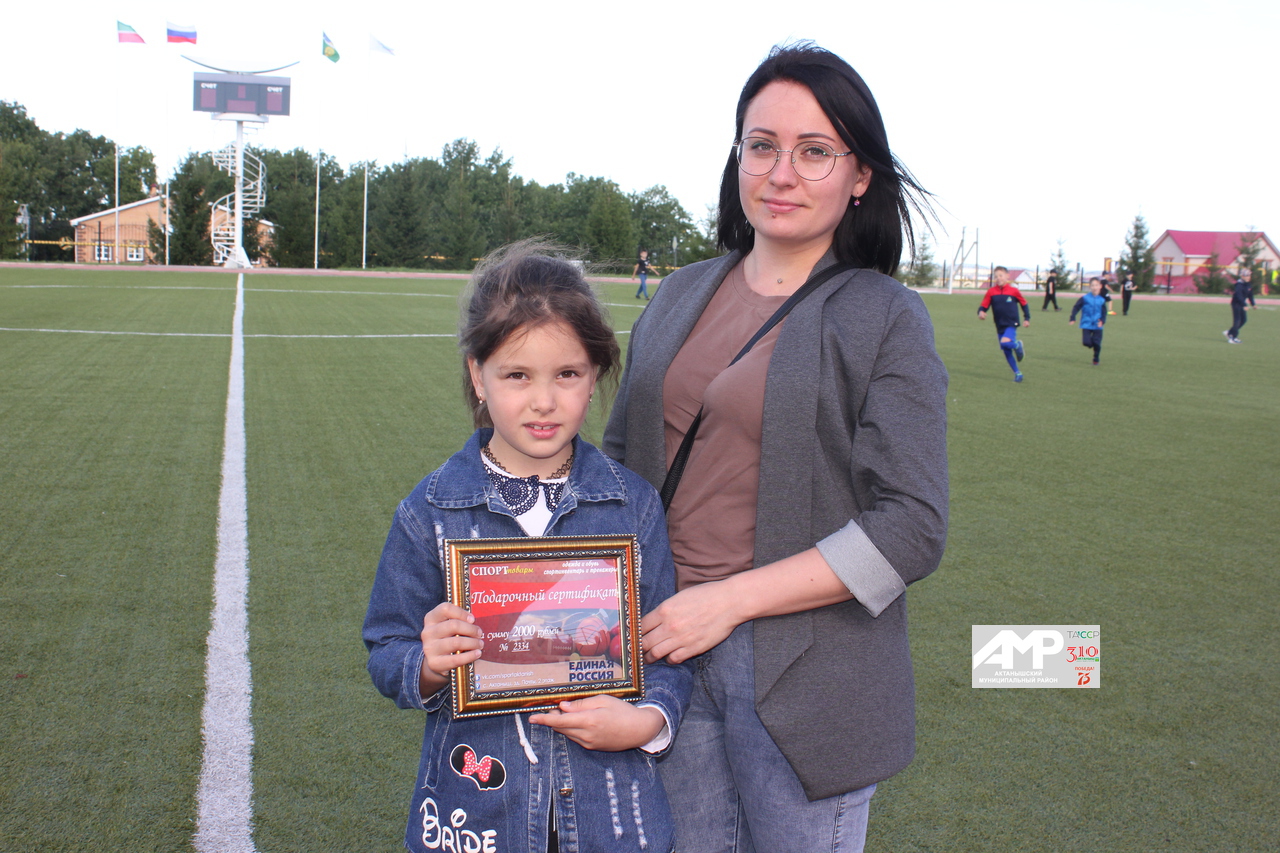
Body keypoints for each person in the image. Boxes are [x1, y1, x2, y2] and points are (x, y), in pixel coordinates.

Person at [603, 43, 948, 853]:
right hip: (665, 654)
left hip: (804, 674)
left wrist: (730, 600)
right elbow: (616, 466)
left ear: (859, 175)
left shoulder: (885, 314)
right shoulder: (682, 291)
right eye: (762, 146)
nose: (781, 173)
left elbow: (912, 527)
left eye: (814, 151)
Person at [363, 240, 694, 853]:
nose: (544, 401)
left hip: (611, 817)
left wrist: (645, 720)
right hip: (477, 814)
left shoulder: (634, 505)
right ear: (477, 376)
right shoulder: (431, 509)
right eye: (517, 375)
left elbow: (665, 650)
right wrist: (429, 665)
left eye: (567, 374)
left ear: (595, 375)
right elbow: (387, 647)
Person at [978, 265, 1031, 382]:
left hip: (1011, 323)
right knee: (1006, 351)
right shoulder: (991, 292)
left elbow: (1024, 304)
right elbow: (984, 305)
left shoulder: (1014, 291)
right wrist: (981, 312)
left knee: (1005, 342)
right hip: (999, 324)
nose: (998, 278)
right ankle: (1018, 373)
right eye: (996, 276)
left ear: (1007, 276)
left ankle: (1017, 345)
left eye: (1001, 275)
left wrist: (1027, 318)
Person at [1069, 277, 1108, 364]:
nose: (1094, 287)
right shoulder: (1085, 298)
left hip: (1098, 324)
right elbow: (1076, 307)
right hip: (1086, 323)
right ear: (1090, 287)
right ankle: (1092, 345)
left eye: (1096, 285)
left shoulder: (1102, 300)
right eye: (1093, 285)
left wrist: (1102, 321)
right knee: (1086, 342)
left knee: (1097, 343)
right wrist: (1073, 317)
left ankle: (1096, 358)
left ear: (1100, 286)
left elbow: (1104, 312)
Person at [1225, 268, 1256, 343]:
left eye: (1249, 275)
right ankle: (1233, 338)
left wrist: (1253, 304)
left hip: (1241, 303)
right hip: (1236, 304)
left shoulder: (1248, 284)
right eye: (1246, 276)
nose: (1248, 277)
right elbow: (1239, 296)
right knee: (1237, 321)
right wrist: (1244, 305)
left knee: (1244, 320)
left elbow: (1250, 294)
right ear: (1242, 276)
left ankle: (1230, 332)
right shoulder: (1239, 285)